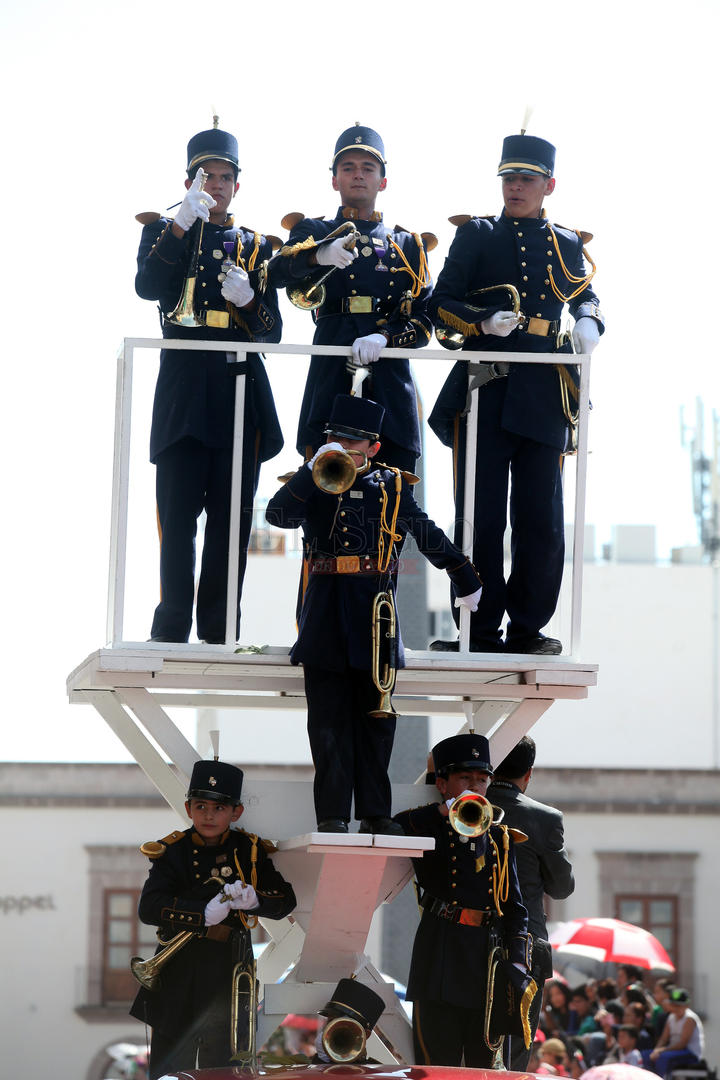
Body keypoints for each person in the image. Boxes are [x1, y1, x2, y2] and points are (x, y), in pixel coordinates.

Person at [265, 396, 482, 835]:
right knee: (326, 723)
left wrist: (462, 572)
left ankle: (374, 811)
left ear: (373, 447)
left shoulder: (393, 486)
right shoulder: (314, 480)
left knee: (376, 721)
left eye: (351, 439)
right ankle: (331, 812)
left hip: (373, 610)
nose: (341, 445)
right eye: (335, 436)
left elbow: (425, 531)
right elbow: (278, 515)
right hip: (324, 608)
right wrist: (311, 472)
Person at [428, 129, 604, 655]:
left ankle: (527, 629)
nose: (515, 187)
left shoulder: (567, 241)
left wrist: (591, 321)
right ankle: (476, 630)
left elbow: (586, 294)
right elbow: (442, 303)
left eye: (526, 178)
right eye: (508, 177)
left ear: (548, 184)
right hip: (487, 382)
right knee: (478, 517)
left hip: (546, 388)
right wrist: (483, 321)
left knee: (541, 520)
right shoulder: (478, 234)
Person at [136, 120, 283, 643]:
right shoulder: (161, 231)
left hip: (235, 389)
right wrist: (178, 228)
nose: (215, 185)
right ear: (189, 181)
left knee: (229, 523)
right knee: (177, 519)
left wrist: (248, 300)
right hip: (181, 385)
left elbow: (272, 331)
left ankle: (220, 630)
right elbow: (148, 287)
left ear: (237, 186)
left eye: (224, 177)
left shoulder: (257, 246)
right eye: (206, 176)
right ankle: (171, 624)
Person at [269, 123, 433, 471]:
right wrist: (318, 255)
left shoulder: (406, 245)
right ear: (334, 180)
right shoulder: (314, 232)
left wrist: (385, 336)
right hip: (332, 367)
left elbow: (426, 318)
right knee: (323, 488)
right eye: (348, 168)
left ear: (383, 181)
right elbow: (277, 271)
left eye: (368, 168)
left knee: (395, 491)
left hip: (388, 376)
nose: (358, 175)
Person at [130, 759, 296, 1078]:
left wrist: (255, 899)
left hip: (227, 976)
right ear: (188, 808)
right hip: (179, 977)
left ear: (236, 813)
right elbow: (148, 907)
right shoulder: (173, 851)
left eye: (220, 807)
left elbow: (285, 901)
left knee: (223, 1070)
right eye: (201, 805)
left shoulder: (249, 850)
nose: (209, 815)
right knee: (170, 1071)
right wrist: (201, 915)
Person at [393, 733, 533, 1067]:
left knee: (484, 1066)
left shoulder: (499, 836)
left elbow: (514, 904)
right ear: (443, 783)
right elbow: (397, 826)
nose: (475, 786)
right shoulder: (429, 823)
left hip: (486, 960)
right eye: (465, 778)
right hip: (440, 953)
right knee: (435, 1064)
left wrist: (517, 957)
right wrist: (444, 812)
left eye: (482, 779)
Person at [487, 735, 575, 1068]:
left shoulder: (466, 808)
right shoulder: (546, 818)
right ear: (529, 773)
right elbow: (562, 887)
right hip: (524, 944)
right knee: (515, 1050)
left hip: (471, 938)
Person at [312, 977, 386, 1063]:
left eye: (343, 1026)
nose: (331, 1028)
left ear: (366, 1035)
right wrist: (320, 1061)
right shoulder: (310, 1066)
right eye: (330, 1021)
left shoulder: (374, 1074)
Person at [645, 988, 705, 1078]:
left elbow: (682, 1044)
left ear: (686, 1006)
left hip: (690, 1053)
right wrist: (655, 1050)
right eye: (673, 1004)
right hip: (673, 1051)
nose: (675, 1008)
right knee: (645, 1056)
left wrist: (661, 1051)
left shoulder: (689, 1018)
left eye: (678, 1005)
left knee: (663, 1058)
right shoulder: (671, 1017)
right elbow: (664, 1038)